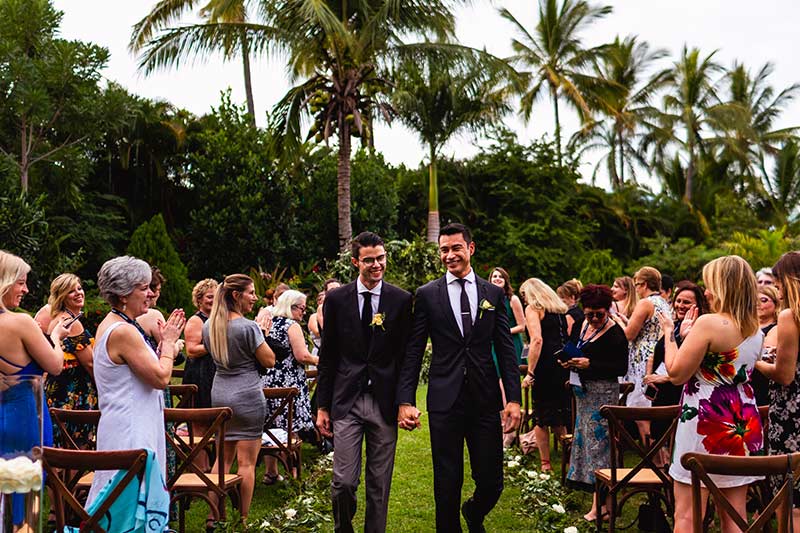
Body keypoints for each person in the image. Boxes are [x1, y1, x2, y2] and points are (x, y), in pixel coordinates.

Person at [397, 223, 521, 533]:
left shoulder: (492, 293)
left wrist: (514, 400)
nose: (450, 255)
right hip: (444, 399)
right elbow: (414, 351)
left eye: (456, 248)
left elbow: (506, 350)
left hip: (484, 400)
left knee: (492, 480)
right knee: (447, 480)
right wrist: (405, 400)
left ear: (471, 248)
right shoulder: (427, 294)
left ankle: (475, 512)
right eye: (444, 250)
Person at [316, 232, 412, 533]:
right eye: (369, 260)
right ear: (356, 261)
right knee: (344, 481)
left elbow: (406, 357)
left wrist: (405, 401)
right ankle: (344, 528)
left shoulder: (401, 300)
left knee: (379, 484)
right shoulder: (336, 299)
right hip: (347, 400)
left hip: (384, 401)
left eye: (380, 258)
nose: (376, 265)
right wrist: (322, 405)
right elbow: (328, 355)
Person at [662, 255, 764, 532]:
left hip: (705, 419)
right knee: (734, 512)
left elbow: (676, 374)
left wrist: (670, 335)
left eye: (709, 285)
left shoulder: (708, 323)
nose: (705, 291)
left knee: (687, 513)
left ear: (723, 288)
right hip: (742, 420)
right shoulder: (756, 329)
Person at [87, 256, 185, 508]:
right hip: (131, 427)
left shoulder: (121, 325)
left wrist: (164, 346)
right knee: (128, 504)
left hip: (131, 420)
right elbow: (161, 378)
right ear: (122, 295)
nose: (151, 294)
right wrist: (171, 343)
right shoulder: (123, 331)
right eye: (144, 288)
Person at [0, 251, 69, 528]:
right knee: (23, 499)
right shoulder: (21, 323)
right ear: (4, 281)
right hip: (25, 418)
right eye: (21, 282)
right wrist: (55, 338)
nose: (26, 289)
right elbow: (54, 365)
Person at [203, 274, 275, 523]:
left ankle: (213, 517)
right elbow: (269, 360)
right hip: (247, 395)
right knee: (246, 463)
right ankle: (242, 519)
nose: (254, 297)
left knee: (222, 462)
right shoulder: (248, 327)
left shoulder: (209, 326)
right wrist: (262, 332)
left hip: (220, 393)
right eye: (251, 293)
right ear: (236, 295)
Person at [563, 284, 628, 522]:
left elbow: (621, 368)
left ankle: (601, 505)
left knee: (599, 448)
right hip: (584, 393)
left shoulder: (615, 333)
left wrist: (590, 365)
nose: (594, 319)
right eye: (589, 314)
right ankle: (604, 504)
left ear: (608, 310)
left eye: (599, 314)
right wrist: (570, 363)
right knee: (587, 447)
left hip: (603, 395)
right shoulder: (583, 325)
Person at [755, 251, 800, 529]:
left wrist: (757, 362)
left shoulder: (789, 316)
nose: (777, 289)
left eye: (778, 282)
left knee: (790, 500)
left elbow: (784, 375)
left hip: (791, 416)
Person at [645, 281, 709, 461]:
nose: (681, 305)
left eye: (686, 302)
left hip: (680, 392)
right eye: (678, 301)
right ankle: (661, 481)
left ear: (699, 304)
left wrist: (666, 377)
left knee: (673, 443)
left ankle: (669, 478)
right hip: (662, 392)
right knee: (659, 439)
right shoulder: (674, 324)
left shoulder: (698, 330)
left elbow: (692, 365)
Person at [260, 289, 318, 485]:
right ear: (291, 307)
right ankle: (293, 473)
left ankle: (271, 473)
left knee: (270, 427)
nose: (303, 312)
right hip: (288, 384)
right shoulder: (291, 325)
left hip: (267, 381)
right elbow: (302, 355)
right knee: (290, 427)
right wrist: (323, 360)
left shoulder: (268, 324)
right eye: (301, 308)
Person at [612, 267, 670, 442]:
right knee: (648, 406)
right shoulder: (663, 302)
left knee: (640, 411)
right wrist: (627, 321)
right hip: (657, 353)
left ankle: (651, 456)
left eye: (637, 285)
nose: (635, 289)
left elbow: (629, 335)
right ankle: (656, 452)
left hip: (642, 357)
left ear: (644, 284)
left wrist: (618, 322)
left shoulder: (645, 303)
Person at [519, 277, 570, 472]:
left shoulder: (533, 308)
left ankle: (545, 463)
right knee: (558, 415)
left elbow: (537, 340)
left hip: (545, 366)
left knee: (541, 417)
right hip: (562, 364)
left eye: (523, 294)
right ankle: (569, 457)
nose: (523, 299)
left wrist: (530, 372)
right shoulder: (558, 310)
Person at [43, 273, 98, 449]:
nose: (78, 293)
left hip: (59, 389)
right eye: (71, 291)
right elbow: (90, 363)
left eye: (79, 288)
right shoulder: (70, 322)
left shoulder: (58, 318)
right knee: (75, 444)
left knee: (62, 442)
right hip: (72, 392)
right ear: (61, 296)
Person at [183, 278, 218, 472]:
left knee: (213, 422)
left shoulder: (218, 318)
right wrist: (216, 344)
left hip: (214, 373)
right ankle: (200, 468)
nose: (213, 300)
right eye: (209, 297)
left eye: (216, 297)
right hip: (199, 374)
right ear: (199, 299)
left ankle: (210, 465)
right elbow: (191, 350)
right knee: (199, 422)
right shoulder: (196, 320)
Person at [752, 284, 780, 406]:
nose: (758, 304)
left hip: (764, 383)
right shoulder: (747, 327)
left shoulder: (777, 328)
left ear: (776, 304)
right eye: (754, 300)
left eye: (763, 300)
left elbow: (763, 354)